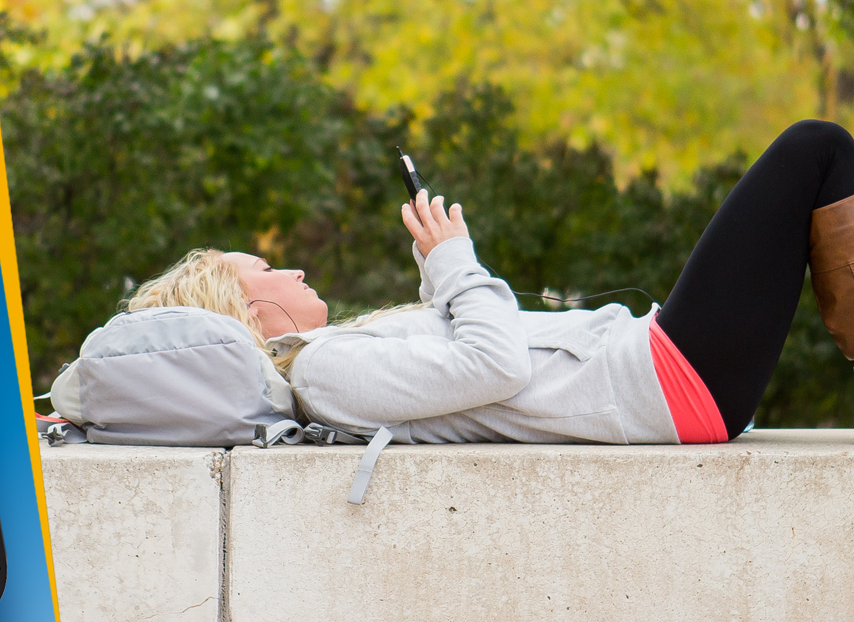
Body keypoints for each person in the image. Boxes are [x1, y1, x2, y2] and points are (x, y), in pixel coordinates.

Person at [124, 120, 854, 444]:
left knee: (817, 152)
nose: (293, 267)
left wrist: (438, 276)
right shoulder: (322, 371)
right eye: (270, 268)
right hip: (662, 381)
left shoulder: (337, 358)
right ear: (254, 311)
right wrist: (455, 263)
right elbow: (495, 364)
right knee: (814, 148)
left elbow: (461, 368)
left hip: (659, 373)